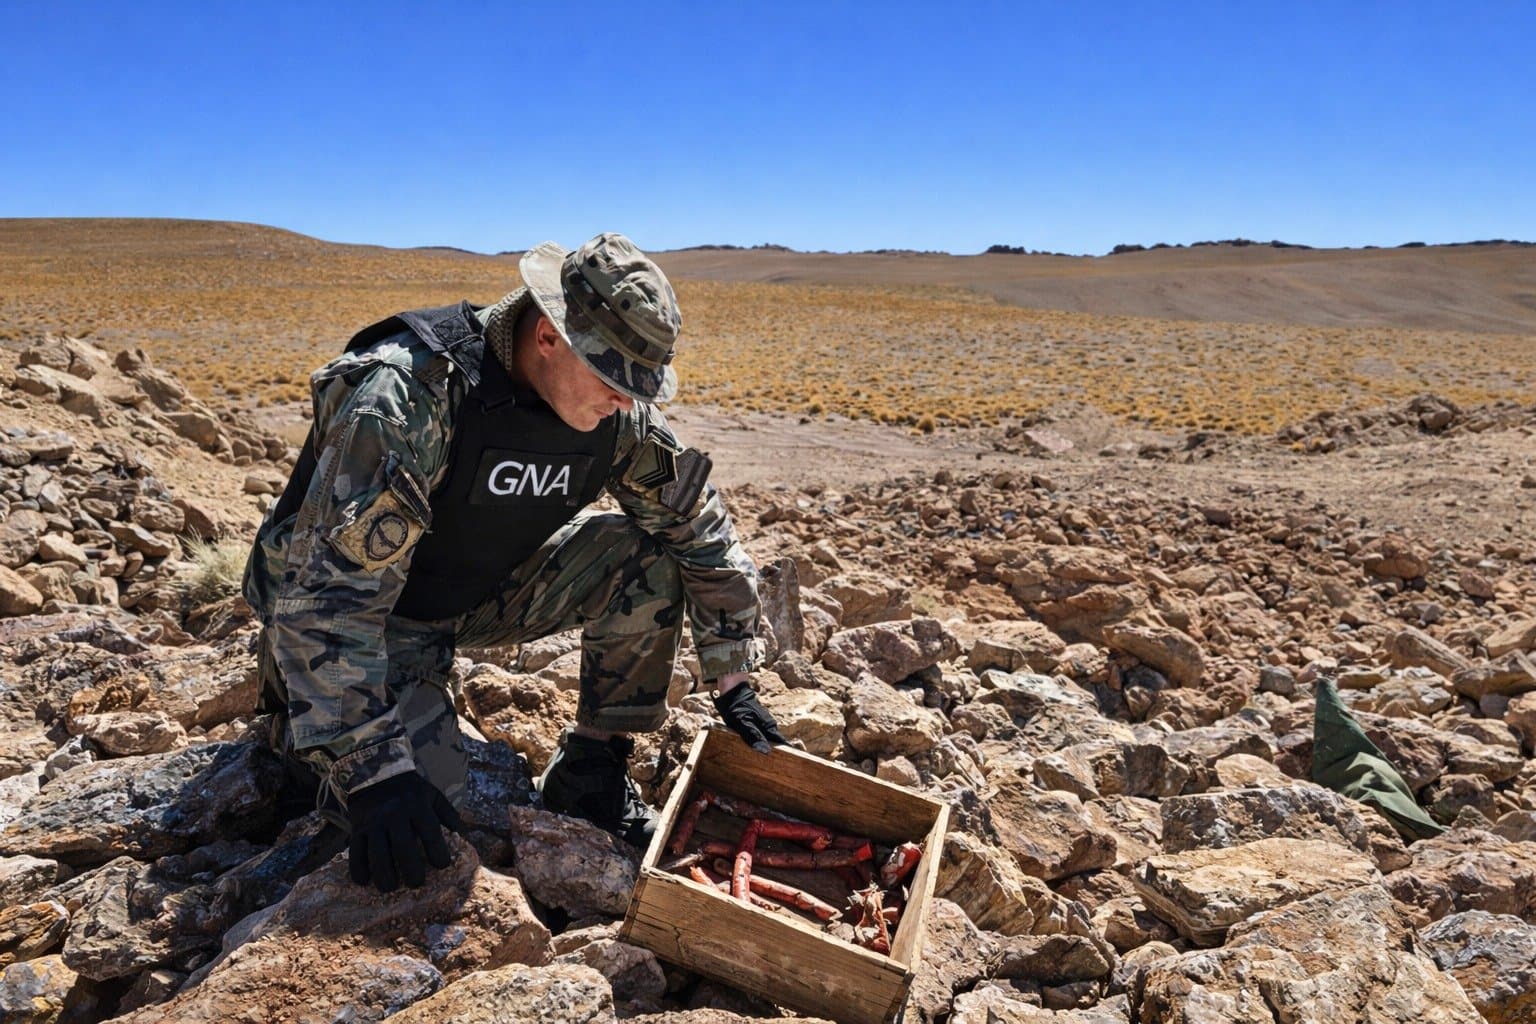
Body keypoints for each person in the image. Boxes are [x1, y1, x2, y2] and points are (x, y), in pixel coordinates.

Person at [243, 232, 786, 893]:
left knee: (648, 557)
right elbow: (322, 600)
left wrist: (732, 671)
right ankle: (299, 736)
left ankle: (590, 773)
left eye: (639, 386)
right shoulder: (408, 395)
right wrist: (370, 773)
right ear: (549, 336)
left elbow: (699, 526)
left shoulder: (617, 414)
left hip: (470, 592)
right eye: (614, 379)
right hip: (367, 623)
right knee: (431, 818)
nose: (626, 401)